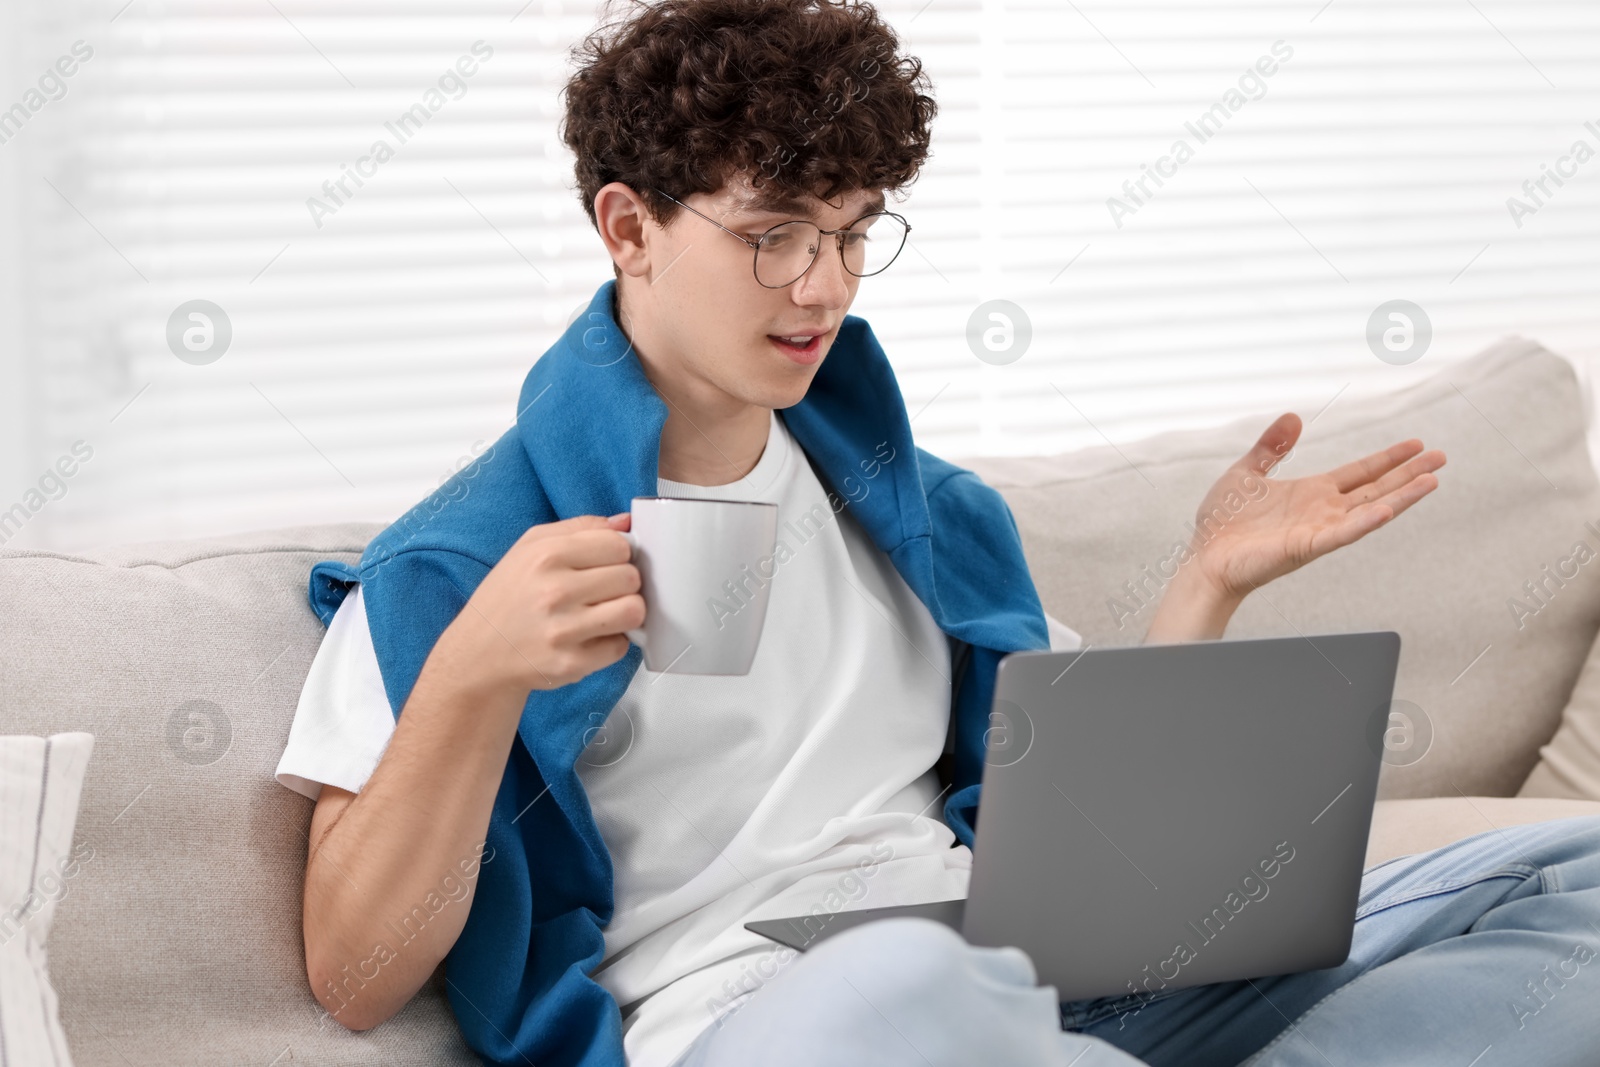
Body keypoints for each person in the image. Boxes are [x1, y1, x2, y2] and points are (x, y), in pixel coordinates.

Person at [273, 1, 1600, 1065]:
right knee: (902, 982)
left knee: (1572, 876)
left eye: (854, 234)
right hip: (775, 1022)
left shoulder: (927, 512)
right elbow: (353, 974)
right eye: (773, 234)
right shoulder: (456, 566)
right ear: (629, 226)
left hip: (1029, 988)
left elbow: (1089, 846)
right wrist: (475, 672)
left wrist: (1205, 587)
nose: (823, 288)